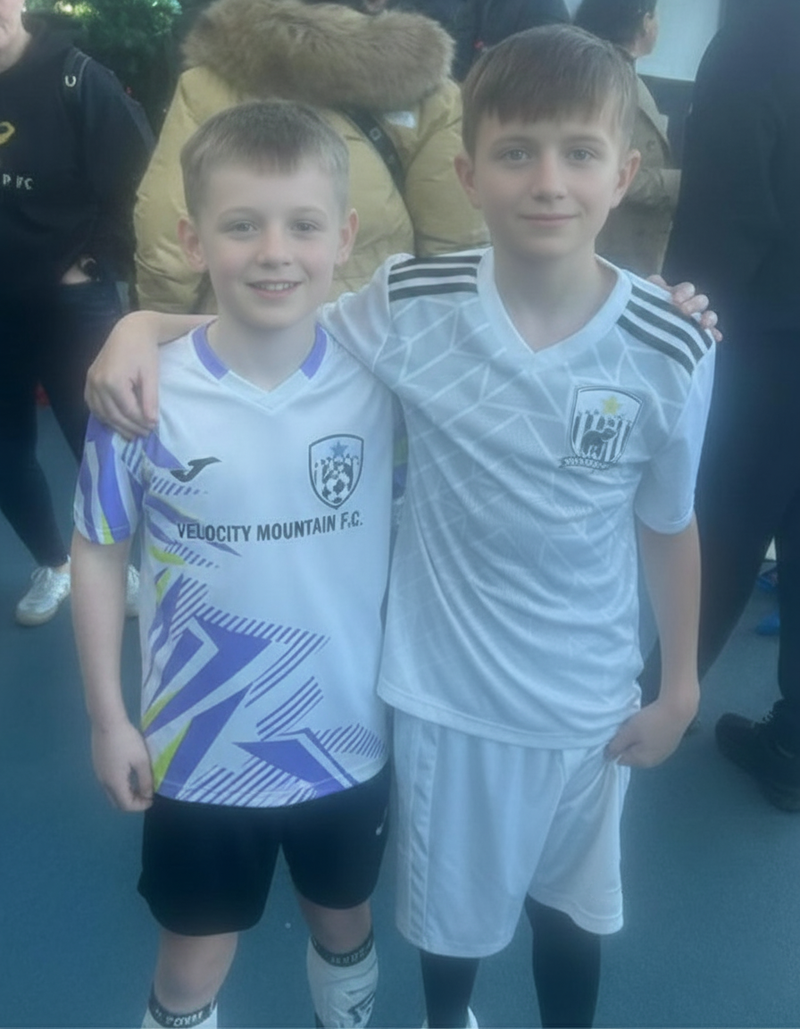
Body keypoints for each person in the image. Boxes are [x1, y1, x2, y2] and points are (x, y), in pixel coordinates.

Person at [84, 27, 720, 1029]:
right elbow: (262, 319)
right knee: (436, 924)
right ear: (469, 175)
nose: (548, 181)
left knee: (560, 915)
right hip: (419, 701)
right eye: (516, 152)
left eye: (579, 153)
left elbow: (668, 521)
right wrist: (135, 326)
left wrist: (678, 686)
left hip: (569, 701)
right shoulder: (409, 308)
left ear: (623, 172)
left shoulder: (667, 344)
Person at [72, 101, 396, 1029]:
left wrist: (661, 303)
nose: (274, 252)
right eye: (242, 225)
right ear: (194, 238)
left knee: (344, 920)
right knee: (192, 964)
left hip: (347, 737)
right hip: (198, 750)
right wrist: (107, 717)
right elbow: (98, 548)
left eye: (303, 225)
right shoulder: (142, 395)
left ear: (345, 236)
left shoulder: (383, 373)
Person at [640, 0, 800, 811]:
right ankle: (793, 744)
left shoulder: (763, 37)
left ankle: (661, 702)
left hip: (767, 338)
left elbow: (727, 213)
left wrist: (674, 330)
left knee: (720, 525)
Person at [133, 0, 487, 316]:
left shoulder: (206, 86)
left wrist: (164, 326)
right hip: (379, 336)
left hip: (241, 336)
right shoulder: (431, 94)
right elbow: (456, 247)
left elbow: (164, 237)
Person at [0, 0, 153, 625]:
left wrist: (94, 262)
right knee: (4, 451)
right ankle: (54, 563)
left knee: (102, 444)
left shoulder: (77, 77)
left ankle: (121, 567)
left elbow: (141, 181)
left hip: (71, 298)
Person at [574, 0, 679, 276]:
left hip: (622, 240)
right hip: (611, 245)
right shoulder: (605, 80)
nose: (657, 26)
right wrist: (680, 183)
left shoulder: (612, 72)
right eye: (656, 16)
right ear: (644, 22)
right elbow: (596, 169)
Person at [450, 0, 570, 81]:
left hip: (513, 98)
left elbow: (533, 72)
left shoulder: (547, 8)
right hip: (475, 85)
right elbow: (462, 39)